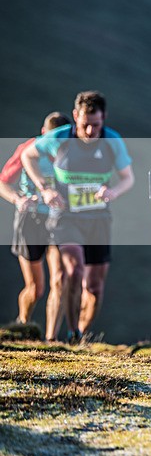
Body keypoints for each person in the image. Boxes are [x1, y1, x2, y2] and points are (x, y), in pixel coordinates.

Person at [21, 91, 134, 344]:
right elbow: (27, 155)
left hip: (98, 218)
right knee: (74, 271)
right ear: (75, 117)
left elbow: (128, 178)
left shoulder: (112, 141)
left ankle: (81, 333)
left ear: (103, 119)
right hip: (65, 218)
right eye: (85, 125)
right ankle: (71, 333)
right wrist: (45, 188)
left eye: (96, 125)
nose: (91, 131)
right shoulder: (59, 137)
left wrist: (112, 191)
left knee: (94, 287)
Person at [0, 112, 71, 341]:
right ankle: (24, 324)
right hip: (30, 220)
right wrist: (18, 200)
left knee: (59, 279)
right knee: (36, 288)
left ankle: (51, 339)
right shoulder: (27, 149)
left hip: (59, 221)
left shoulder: (73, 154)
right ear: (43, 134)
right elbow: (3, 183)